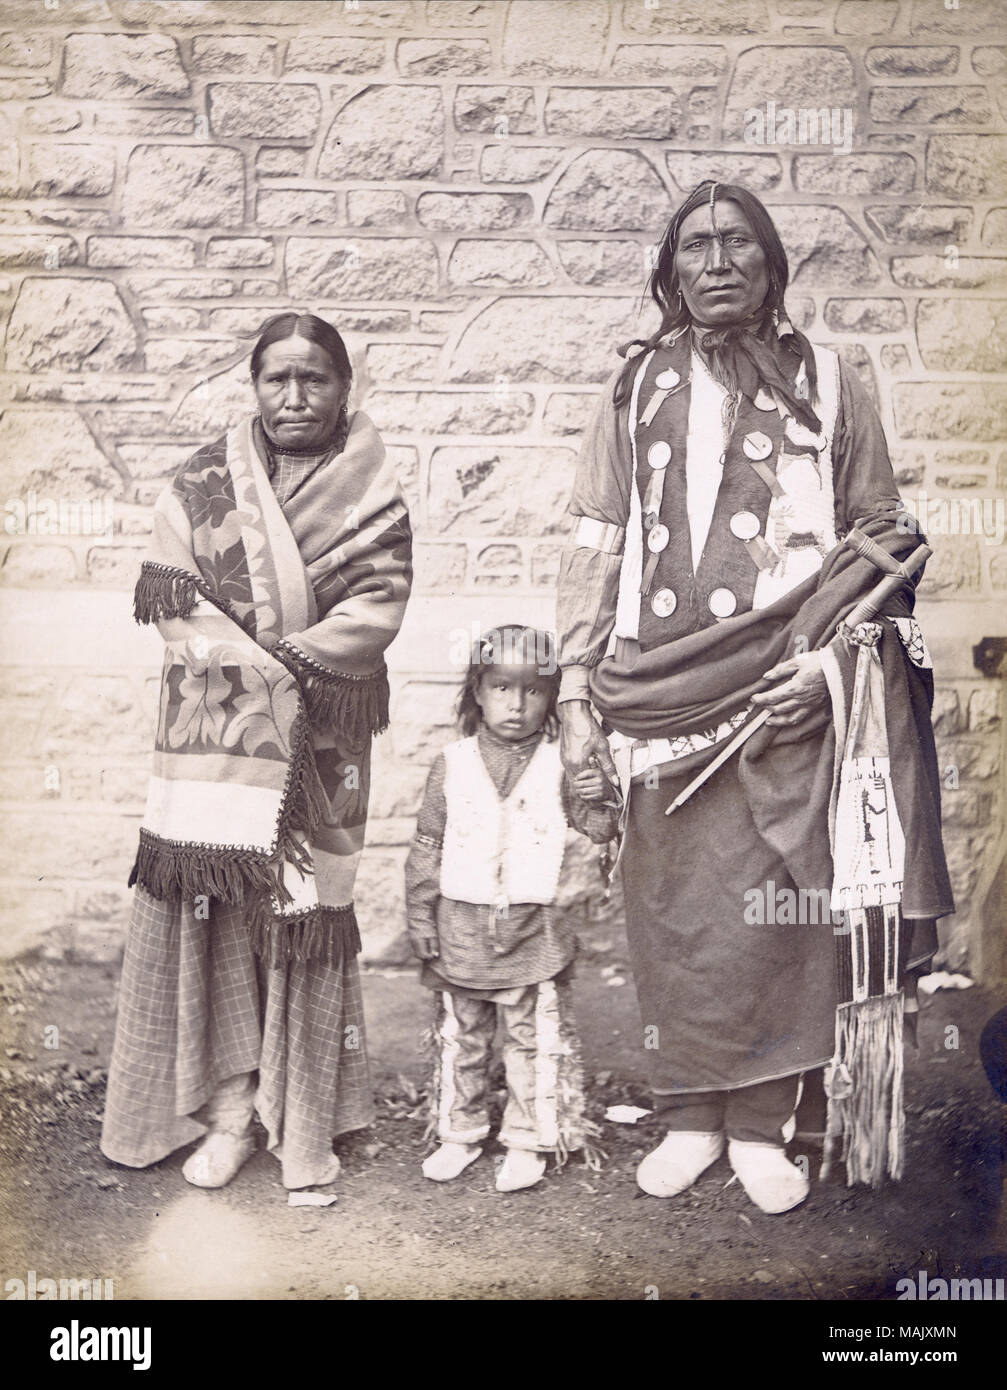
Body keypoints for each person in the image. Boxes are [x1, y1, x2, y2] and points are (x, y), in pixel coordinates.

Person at [555, 182, 953, 1214]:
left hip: (785, 689)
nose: (717, 261)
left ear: (773, 268)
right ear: (669, 269)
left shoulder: (831, 378)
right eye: (695, 245)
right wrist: (570, 686)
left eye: (739, 243)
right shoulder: (633, 383)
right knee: (672, 907)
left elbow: (885, 541)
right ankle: (689, 1111)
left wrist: (824, 673)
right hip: (654, 688)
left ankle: (762, 1123)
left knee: (777, 911)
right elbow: (593, 541)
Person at [101, 312, 413, 1194]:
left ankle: (301, 1118)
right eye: (276, 378)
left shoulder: (373, 491)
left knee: (302, 921)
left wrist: (281, 671)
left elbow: (377, 606)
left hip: (319, 746)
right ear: (255, 387)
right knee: (214, 919)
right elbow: (172, 597)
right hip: (214, 749)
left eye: (313, 378)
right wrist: (265, 671)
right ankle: (228, 1114)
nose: (294, 395)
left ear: (344, 388)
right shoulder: (202, 481)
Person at [404, 625, 618, 1192]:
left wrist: (600, 798)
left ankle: (528, 1139)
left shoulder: (560, 763)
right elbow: (427, 845)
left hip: (533, 930)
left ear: (552, 698)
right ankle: (459, 1130)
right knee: (463, 1037)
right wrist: (422, 918)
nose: (516, 705)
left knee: (532, 1037)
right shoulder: (451, 764)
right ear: (477, 691)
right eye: (501, 687)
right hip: (460, 929)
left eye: (533, 691)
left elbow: (598, 829)